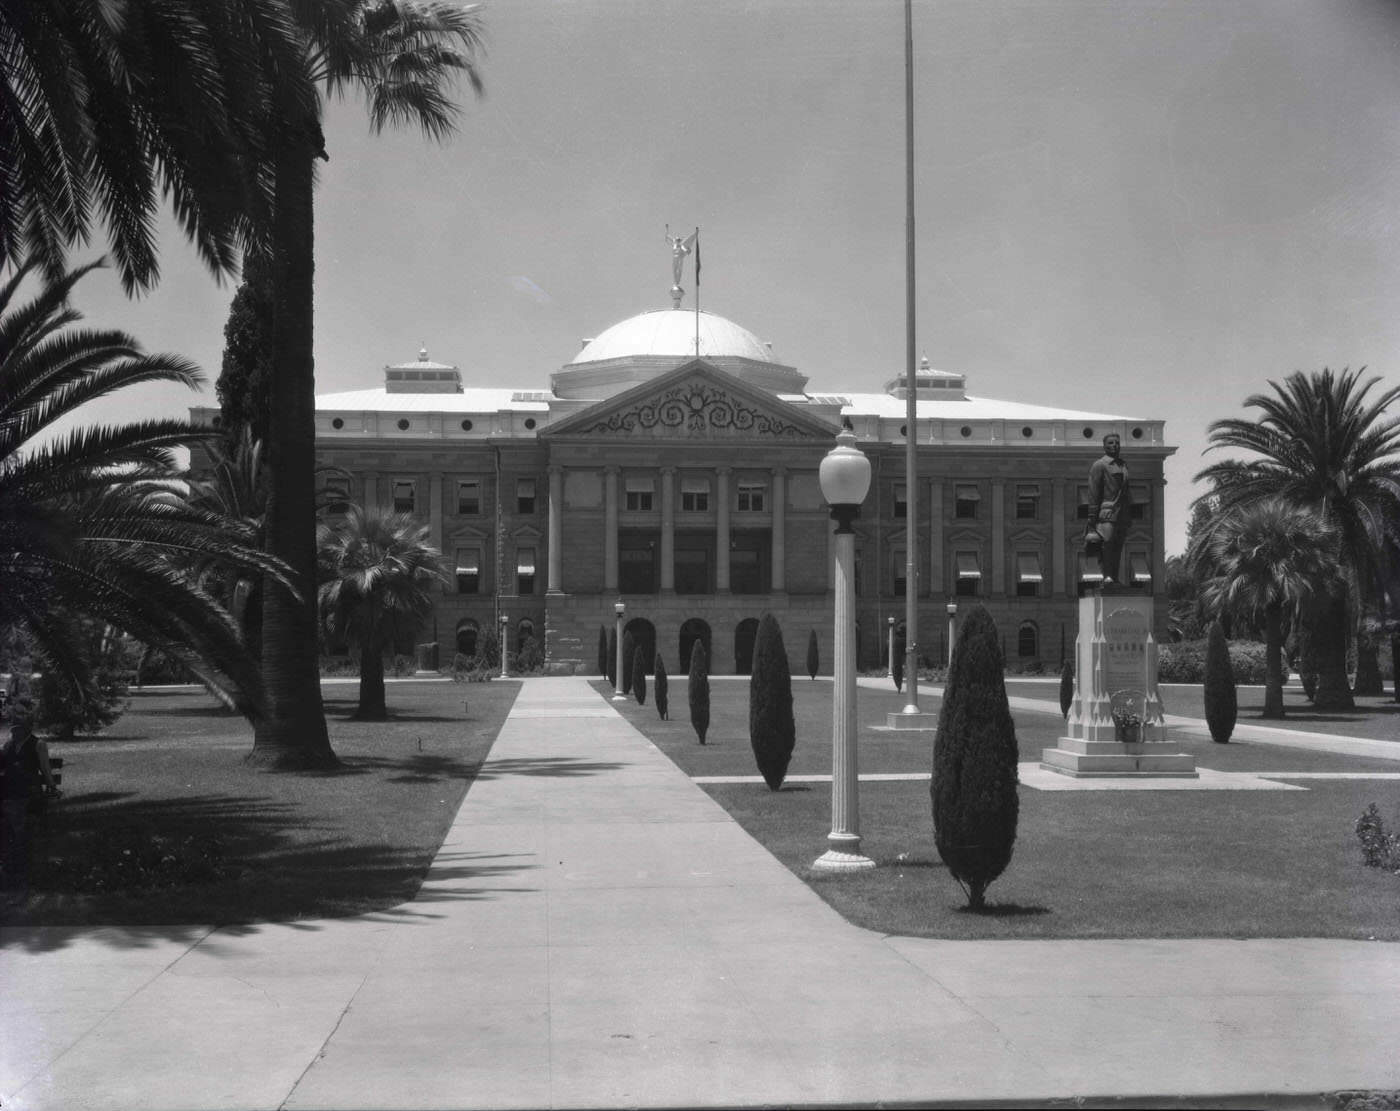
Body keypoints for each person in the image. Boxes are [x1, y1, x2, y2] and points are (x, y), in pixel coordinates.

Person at [1085, 432, 1133, 585]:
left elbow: (1127, 491)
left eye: (1117, 443)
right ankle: (1107, 576)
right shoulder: (1099, 465)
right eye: (1111, 443)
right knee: (1107, 544)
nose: (1115, 445)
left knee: (1118, 546)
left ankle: (1114, 576)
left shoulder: (1123, 465)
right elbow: (1094, 492)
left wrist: (1129, 513)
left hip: (1122, 513)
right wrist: (1092, 518)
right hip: (1107, 512)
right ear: (1104, 446)